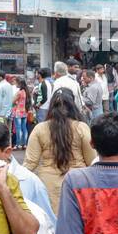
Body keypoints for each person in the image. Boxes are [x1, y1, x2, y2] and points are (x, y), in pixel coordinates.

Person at [25, 89, 95, 218]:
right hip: (78, 181)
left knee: (53, 225)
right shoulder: (81, 127)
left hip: (48, 184)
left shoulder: (40, 128)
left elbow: (30, 163)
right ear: (73, 106)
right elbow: (92, 161)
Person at [10, 78, 30, 149]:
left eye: (17, 83)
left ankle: (18, 144)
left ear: (20, 84)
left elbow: (12, 101)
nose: (16, 84)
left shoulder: (19, 92)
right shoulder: (26, 92)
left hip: (18, 112)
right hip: (24, 111)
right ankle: (24, 144)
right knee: (24, 128)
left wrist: (15, 102)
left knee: (18, 128)